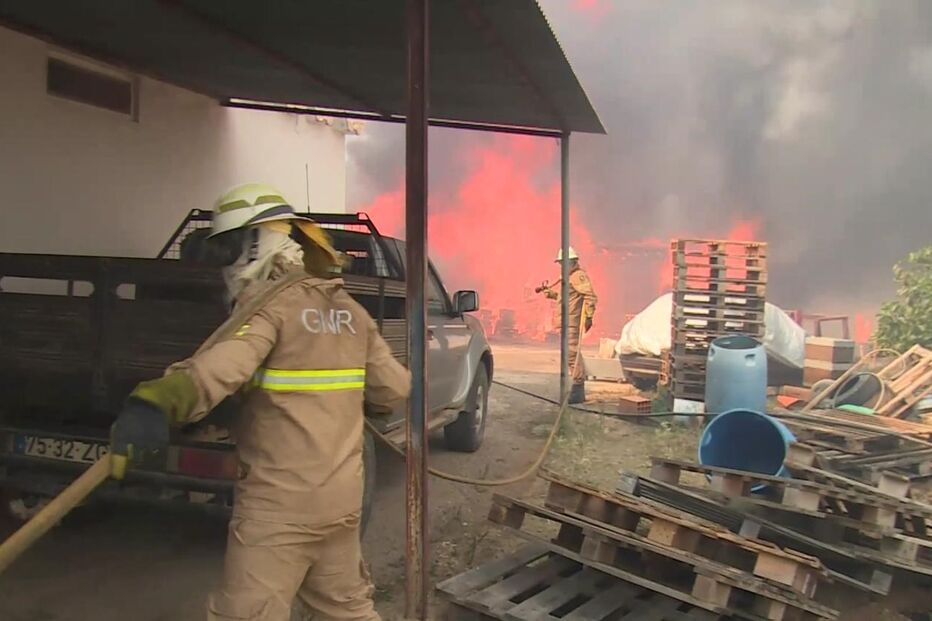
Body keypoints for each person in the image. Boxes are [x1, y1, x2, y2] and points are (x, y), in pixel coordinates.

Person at [109, 183, 410, 621]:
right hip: (341, 505)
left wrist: (152, 404)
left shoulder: (268, 308)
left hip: (278, 512)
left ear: (253, 243)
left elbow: (217, 369)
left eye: (227, 247)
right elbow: (394, 390)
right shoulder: (348, 310)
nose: (224, 265)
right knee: (348, 611)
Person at [541, 247, 597, 404]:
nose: (561, 267)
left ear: (571, 263)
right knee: (569, 354)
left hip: (572, 322)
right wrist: (552, 294)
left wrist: (588, 317)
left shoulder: (578, 277)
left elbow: (590, 296)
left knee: (572, 354)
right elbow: (568, 297)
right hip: (566, 322)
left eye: (562, 263)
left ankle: (578, 391)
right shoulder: (570, 278)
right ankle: (576, 389)